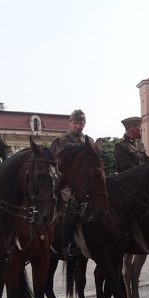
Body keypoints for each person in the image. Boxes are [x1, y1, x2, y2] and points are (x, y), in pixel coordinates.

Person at [51, 109, 89, 259]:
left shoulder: (88, 141)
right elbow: (52, 165)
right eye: (75, 123)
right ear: (70, 123)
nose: (78, 126)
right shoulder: (60, 141)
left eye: (81, 123)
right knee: (70, 206)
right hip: (64, 184)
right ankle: (68, 244)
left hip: (84, 184)